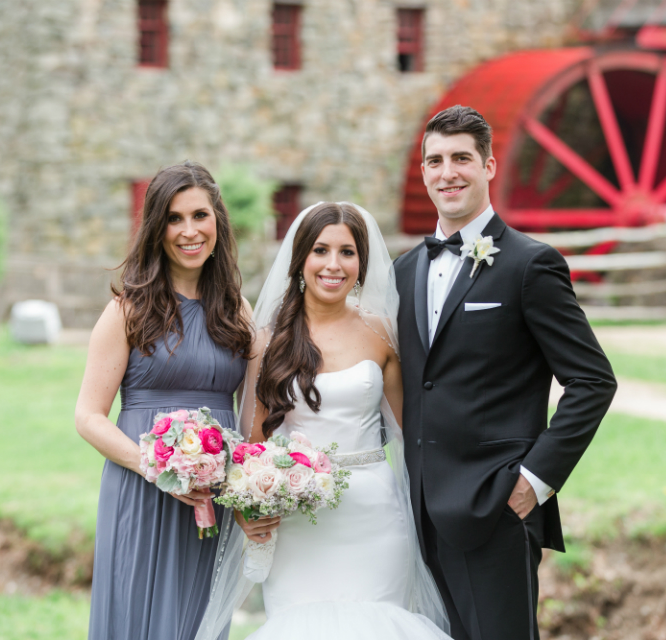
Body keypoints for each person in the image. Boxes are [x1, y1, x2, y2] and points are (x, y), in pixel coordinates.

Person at [394, 104, 618, 640]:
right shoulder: (402, 271)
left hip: (495, 510)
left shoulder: (529, 265)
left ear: (489, 166)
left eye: (461, 159)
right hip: (414, 516)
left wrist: (532, 484)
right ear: (423, 170)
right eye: (435, 160)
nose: (447, 172)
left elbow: (592, 381)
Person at [194, 202, 451, 640]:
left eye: (347, 252)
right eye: (321, 250)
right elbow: (252, 444)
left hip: (375, 519)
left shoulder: (383, 333)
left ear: (362, 262)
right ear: (300, 261)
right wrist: (247, 510)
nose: (334, 265)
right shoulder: (268, 340)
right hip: (297, 522)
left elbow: (415, 434)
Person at [75, 161, 252, 640]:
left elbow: (257, 411)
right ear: (156, 228)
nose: (189, 231)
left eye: (200, 215)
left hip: (210, 498)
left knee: (199, 623)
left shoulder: (237, 311)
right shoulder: (127, 310)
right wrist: (156, 467)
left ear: (218, 221)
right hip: (141, 490)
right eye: (174, 219)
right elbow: (88, 416)